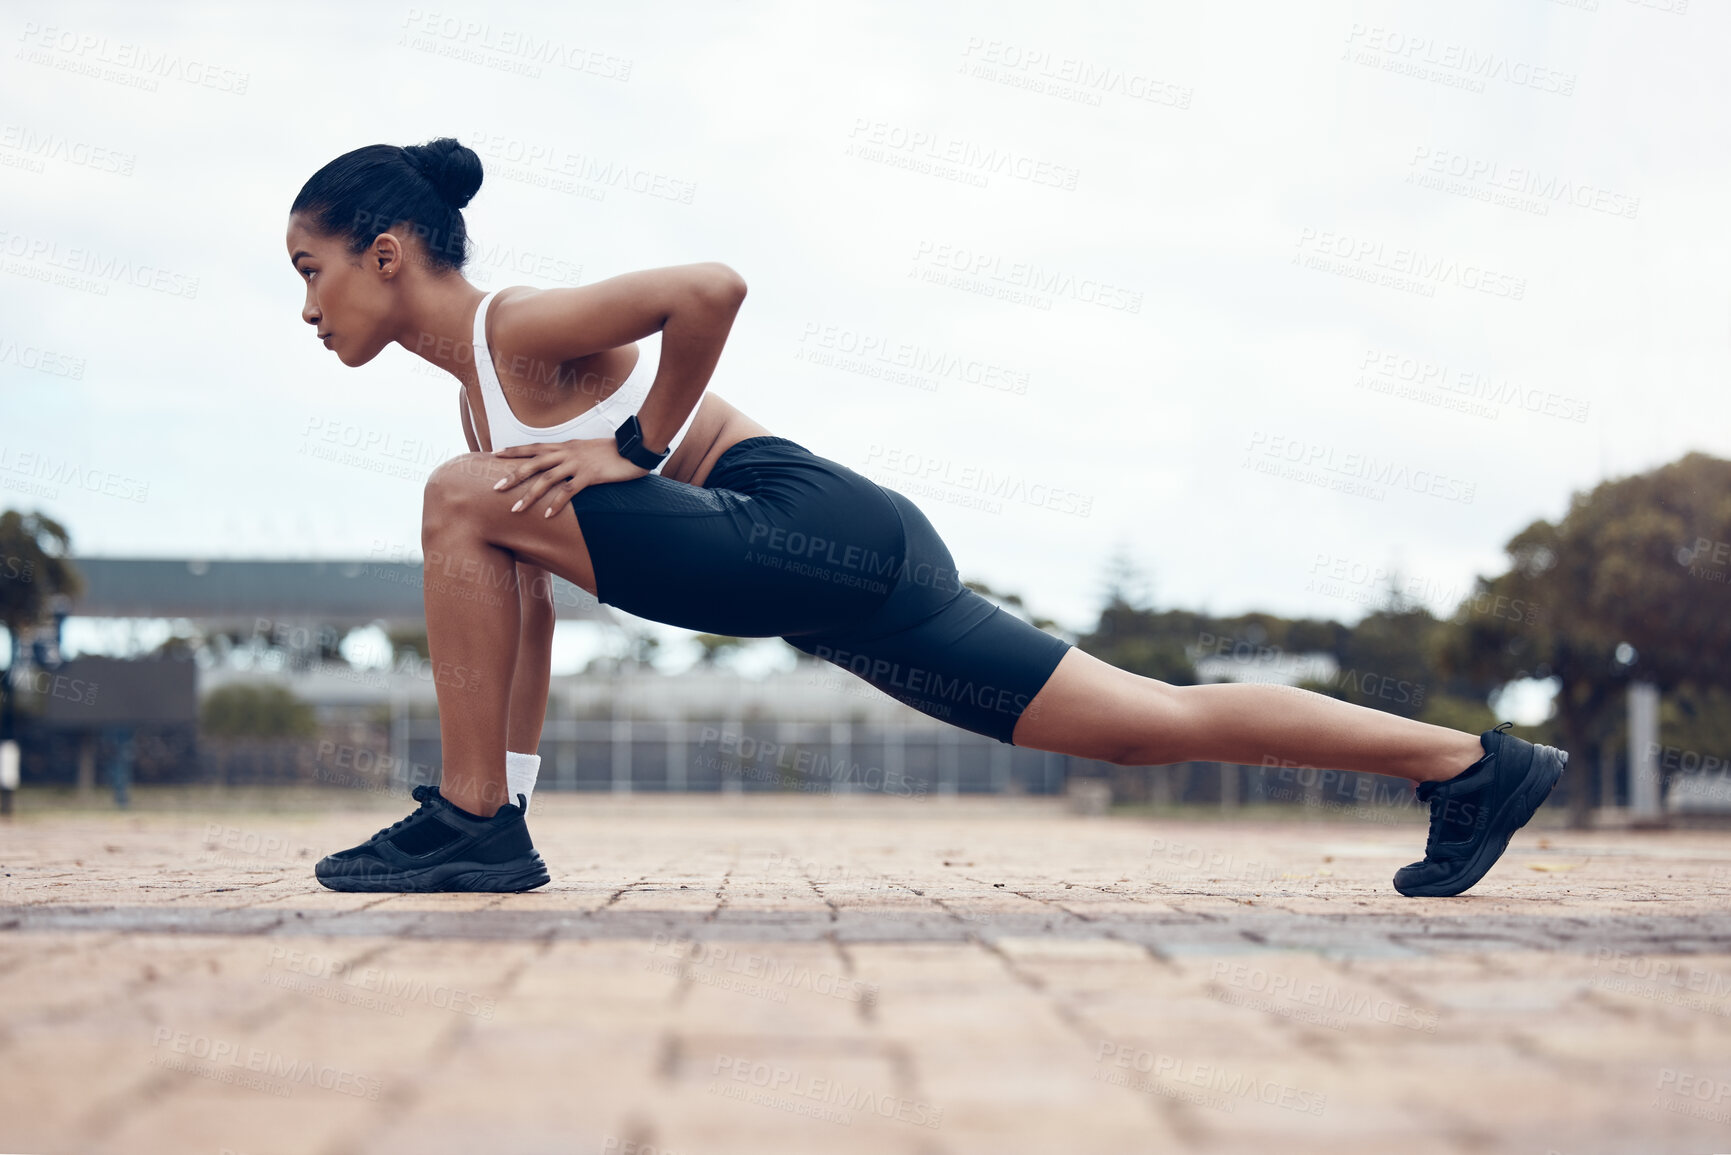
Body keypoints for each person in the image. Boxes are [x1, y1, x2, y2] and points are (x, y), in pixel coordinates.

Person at [284, 137, 1567, 899]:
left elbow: (710, 287)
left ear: (389, 251)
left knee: (461, 503)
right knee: (1141, 724)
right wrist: (509, 789)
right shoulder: (479, 426)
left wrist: (636, 444)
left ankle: (471, 831)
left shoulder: (519, 329)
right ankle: (1470, 768)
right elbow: (526, 622)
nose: (306, 308)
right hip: (857, 568)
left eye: (312, 270)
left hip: (799, 518)